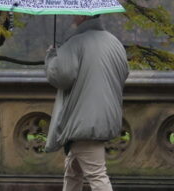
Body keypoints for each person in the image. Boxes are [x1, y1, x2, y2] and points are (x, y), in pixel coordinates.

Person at [44, 14, 129, 191]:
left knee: (97, 175)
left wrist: (51, 58)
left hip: (84, 119)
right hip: (105, 114)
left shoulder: (76, 43)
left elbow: (61, 77)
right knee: (73, 171)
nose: (72, 16)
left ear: (83, 16)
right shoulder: (114, 43)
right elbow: (124, 73)